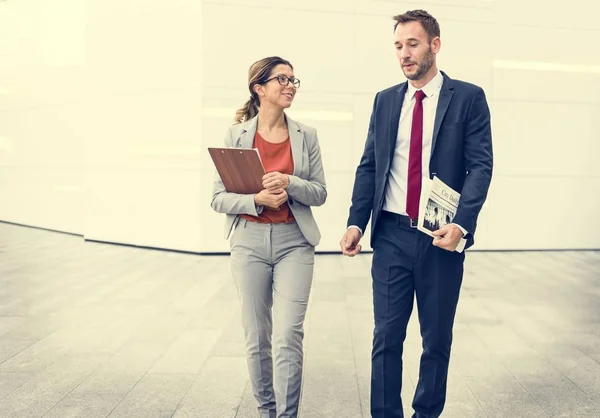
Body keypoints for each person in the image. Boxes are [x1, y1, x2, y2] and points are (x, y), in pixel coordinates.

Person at [339, 10, 493, 418]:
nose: (404, 54)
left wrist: (462, 224)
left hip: (440, 236)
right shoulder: (386, 100)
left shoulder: (469, 97)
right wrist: (357, 222)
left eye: (412, 44)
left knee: (436, 338)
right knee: (386, 336)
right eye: (398, 45)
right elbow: (370, 165)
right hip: (390, 233)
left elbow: (480, 166)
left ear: (434, 45)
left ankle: (426, 413)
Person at [211, 56, 327, 418]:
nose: (290, 85)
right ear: (259, 89)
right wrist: (256, 200)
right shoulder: (237, 135)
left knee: (288, 334)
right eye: (282, 79)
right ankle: (266, 411)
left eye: (294, 79)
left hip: (295, 241)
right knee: (257, 337)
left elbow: (320, 192)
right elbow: (218, 198)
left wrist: (290, 183)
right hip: (248, 242)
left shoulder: (306, 135)